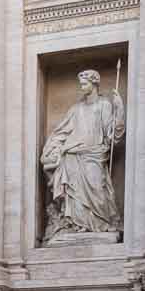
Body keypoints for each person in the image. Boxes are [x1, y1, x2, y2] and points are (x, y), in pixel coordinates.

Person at [40, 68, 125, 240]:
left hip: (94, 154)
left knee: (97, 189)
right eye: (81, 84)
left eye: (85, 83)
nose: (82, 87)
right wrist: (52, 150)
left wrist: (119, 110)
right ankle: (78, 225)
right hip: (72, 156)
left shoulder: (104, 105)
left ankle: (101, 224)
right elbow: (61, 132)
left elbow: (111, 135)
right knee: (75, 195)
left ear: (94, 84)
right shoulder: (76, 109)